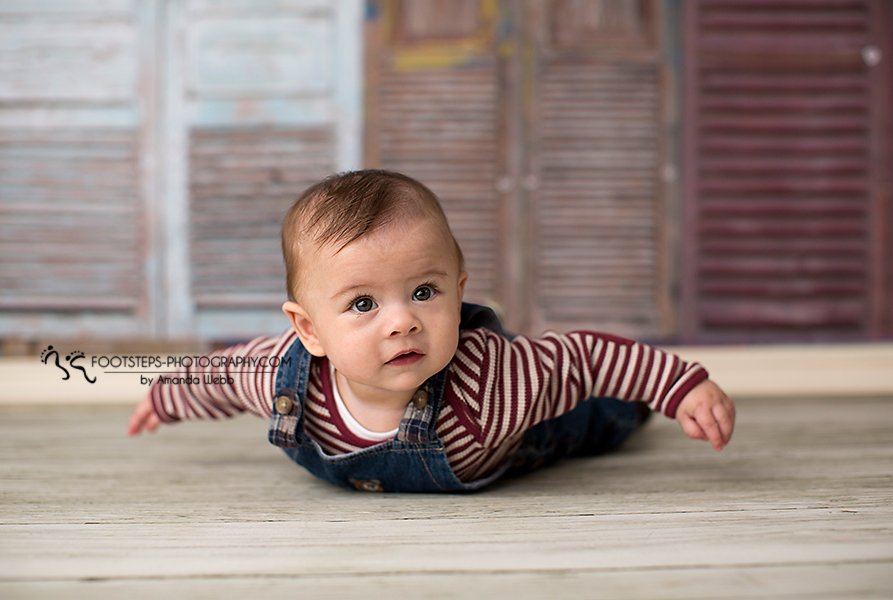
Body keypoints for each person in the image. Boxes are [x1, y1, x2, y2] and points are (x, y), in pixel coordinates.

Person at [128, 169, 735, 492]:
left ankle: (631, 414)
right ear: (309, 330)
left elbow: (583, 359)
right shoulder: (291, 377)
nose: (402, 320)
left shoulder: (495, 381)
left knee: (597, 414)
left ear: (459, 288)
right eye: (363, 303)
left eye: (424, 292)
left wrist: (678, 386)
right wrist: (167, 395)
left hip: (535, 429)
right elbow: (225, 375)